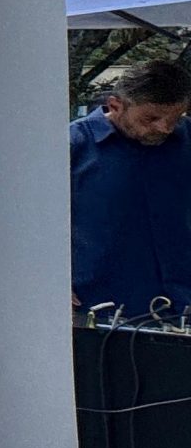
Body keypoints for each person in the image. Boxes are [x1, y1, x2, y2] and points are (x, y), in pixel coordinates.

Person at [72, 57, 191, 319]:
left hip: (183, 305)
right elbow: (30, 222)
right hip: (100, 309)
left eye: (175, 118)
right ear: (115, 105)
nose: (164, 128)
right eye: (151, 118)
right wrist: (45, 279)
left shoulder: (187, 141)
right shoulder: (72, 146)